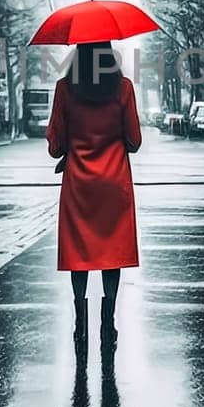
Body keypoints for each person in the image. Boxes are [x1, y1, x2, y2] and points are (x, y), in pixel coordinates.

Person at [46, 41, 142, 354]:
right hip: (114, 182)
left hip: (79, 185)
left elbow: (55, 146)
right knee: (111, 253)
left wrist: (70, 145)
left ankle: (80, 323)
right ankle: (108, 321)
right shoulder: (123, 88)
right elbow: (135, 140)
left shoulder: (64, 89)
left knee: (79, 254)